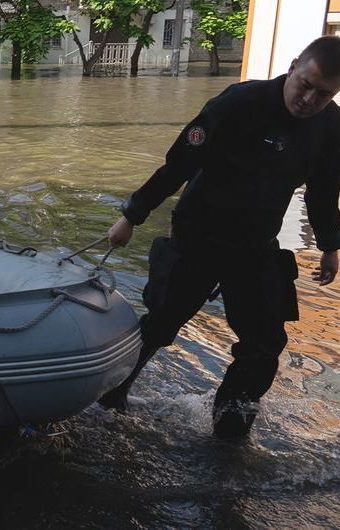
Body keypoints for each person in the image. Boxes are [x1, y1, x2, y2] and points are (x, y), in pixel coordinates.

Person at [97, 36, 340, 439]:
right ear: (294, 65)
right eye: (306, 85)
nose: (309, 100)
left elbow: (322, 189)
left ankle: (231, 427)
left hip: (256, 245)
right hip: (199, 234)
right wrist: (132, 216)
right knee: (162, 322)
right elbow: (177, 166)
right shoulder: (238, 104)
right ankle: (110, 396)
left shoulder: (330, 127)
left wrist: (330, 245)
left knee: (264, 343)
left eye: (324, 93)